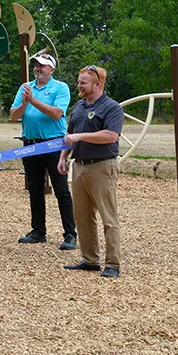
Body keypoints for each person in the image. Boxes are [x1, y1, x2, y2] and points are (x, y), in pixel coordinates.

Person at [59, 65, 125, 279]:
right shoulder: (78, 107)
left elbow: (111, 136)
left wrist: (80, 137)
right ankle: (90, 260)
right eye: (79, 81)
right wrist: (63, 157)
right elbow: (69, 134)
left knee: (108, 216)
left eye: (83, 82)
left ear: (97, 84)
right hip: (79, 167)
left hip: (102, 167)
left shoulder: (112, 108)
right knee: (82, 216)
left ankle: (113, 264)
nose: (78, 85)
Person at [9, 52, 75, 250]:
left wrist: (33, 101)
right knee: (35, 189)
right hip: (30, 144)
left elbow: (57, 113)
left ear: (51, 69)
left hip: (53, 144)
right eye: (36, 65)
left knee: (61, 189)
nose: (38, 68)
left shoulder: (60, 87)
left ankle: (70, 234)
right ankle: (38, 231)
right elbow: (13, 115)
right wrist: (24, 103)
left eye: (42, 65)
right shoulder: (25, 88)